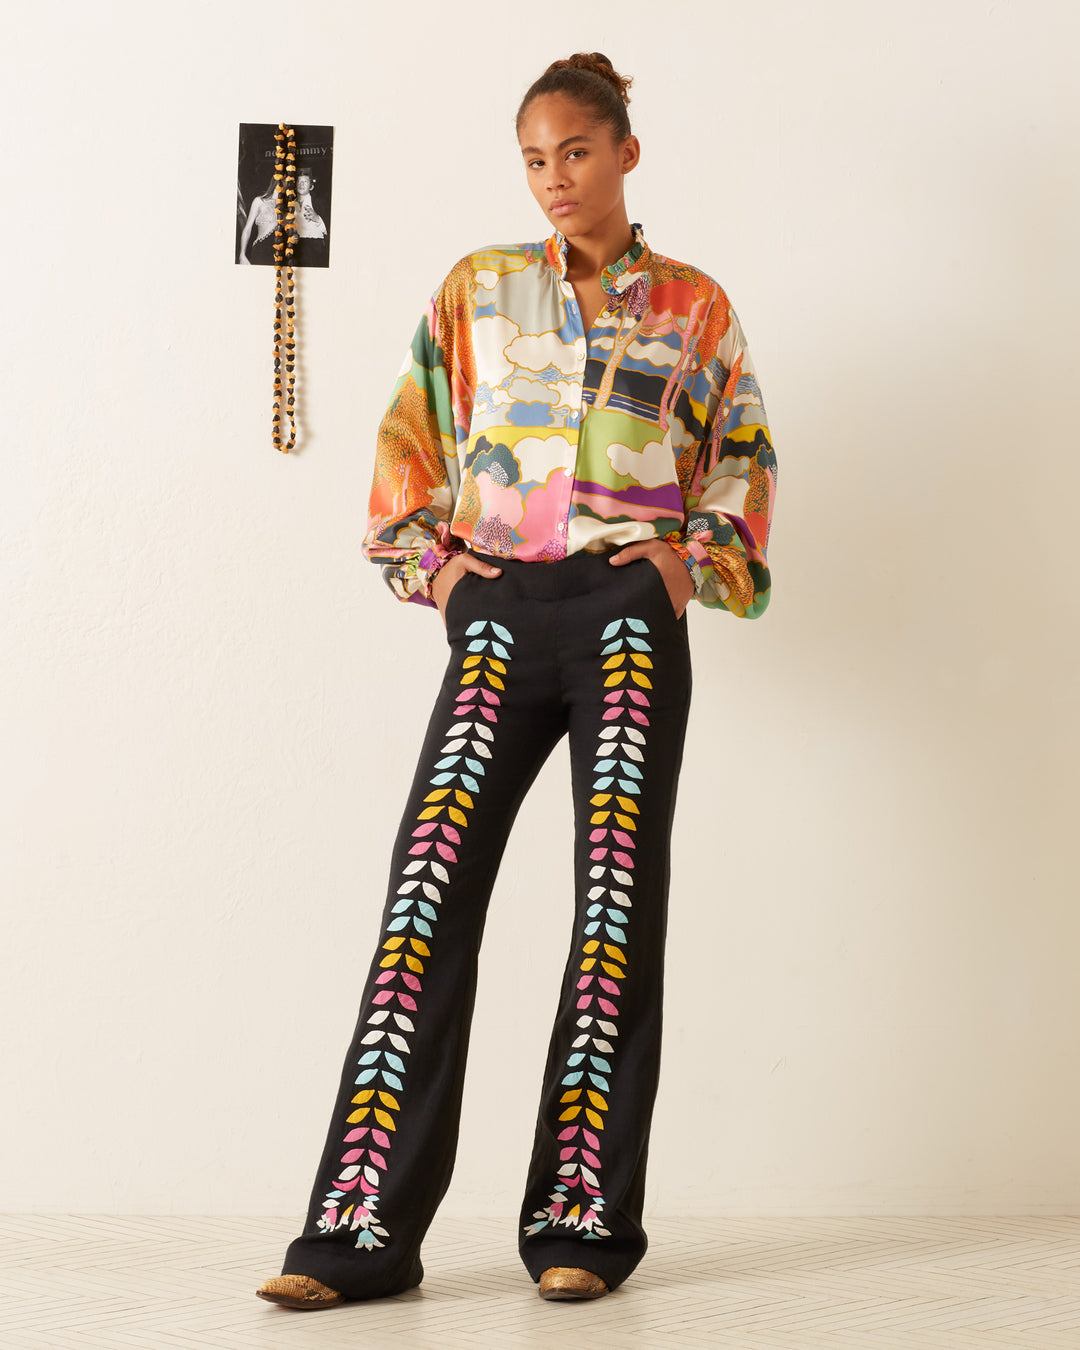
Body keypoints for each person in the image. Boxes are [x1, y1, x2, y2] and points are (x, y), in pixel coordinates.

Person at [256, 50, 776, 1313]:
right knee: (427, 896)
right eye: (535, 159)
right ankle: (358, 1235)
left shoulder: (694, 308)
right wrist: (439, 578)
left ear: (626, 154)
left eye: (577, 153)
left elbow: (744, 457)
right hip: (495, 614)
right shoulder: (476, 293)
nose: (555, 179)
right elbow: (407, 446)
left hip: (626, 624)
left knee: (612, 914)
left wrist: (681, 565)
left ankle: (582, 1225)